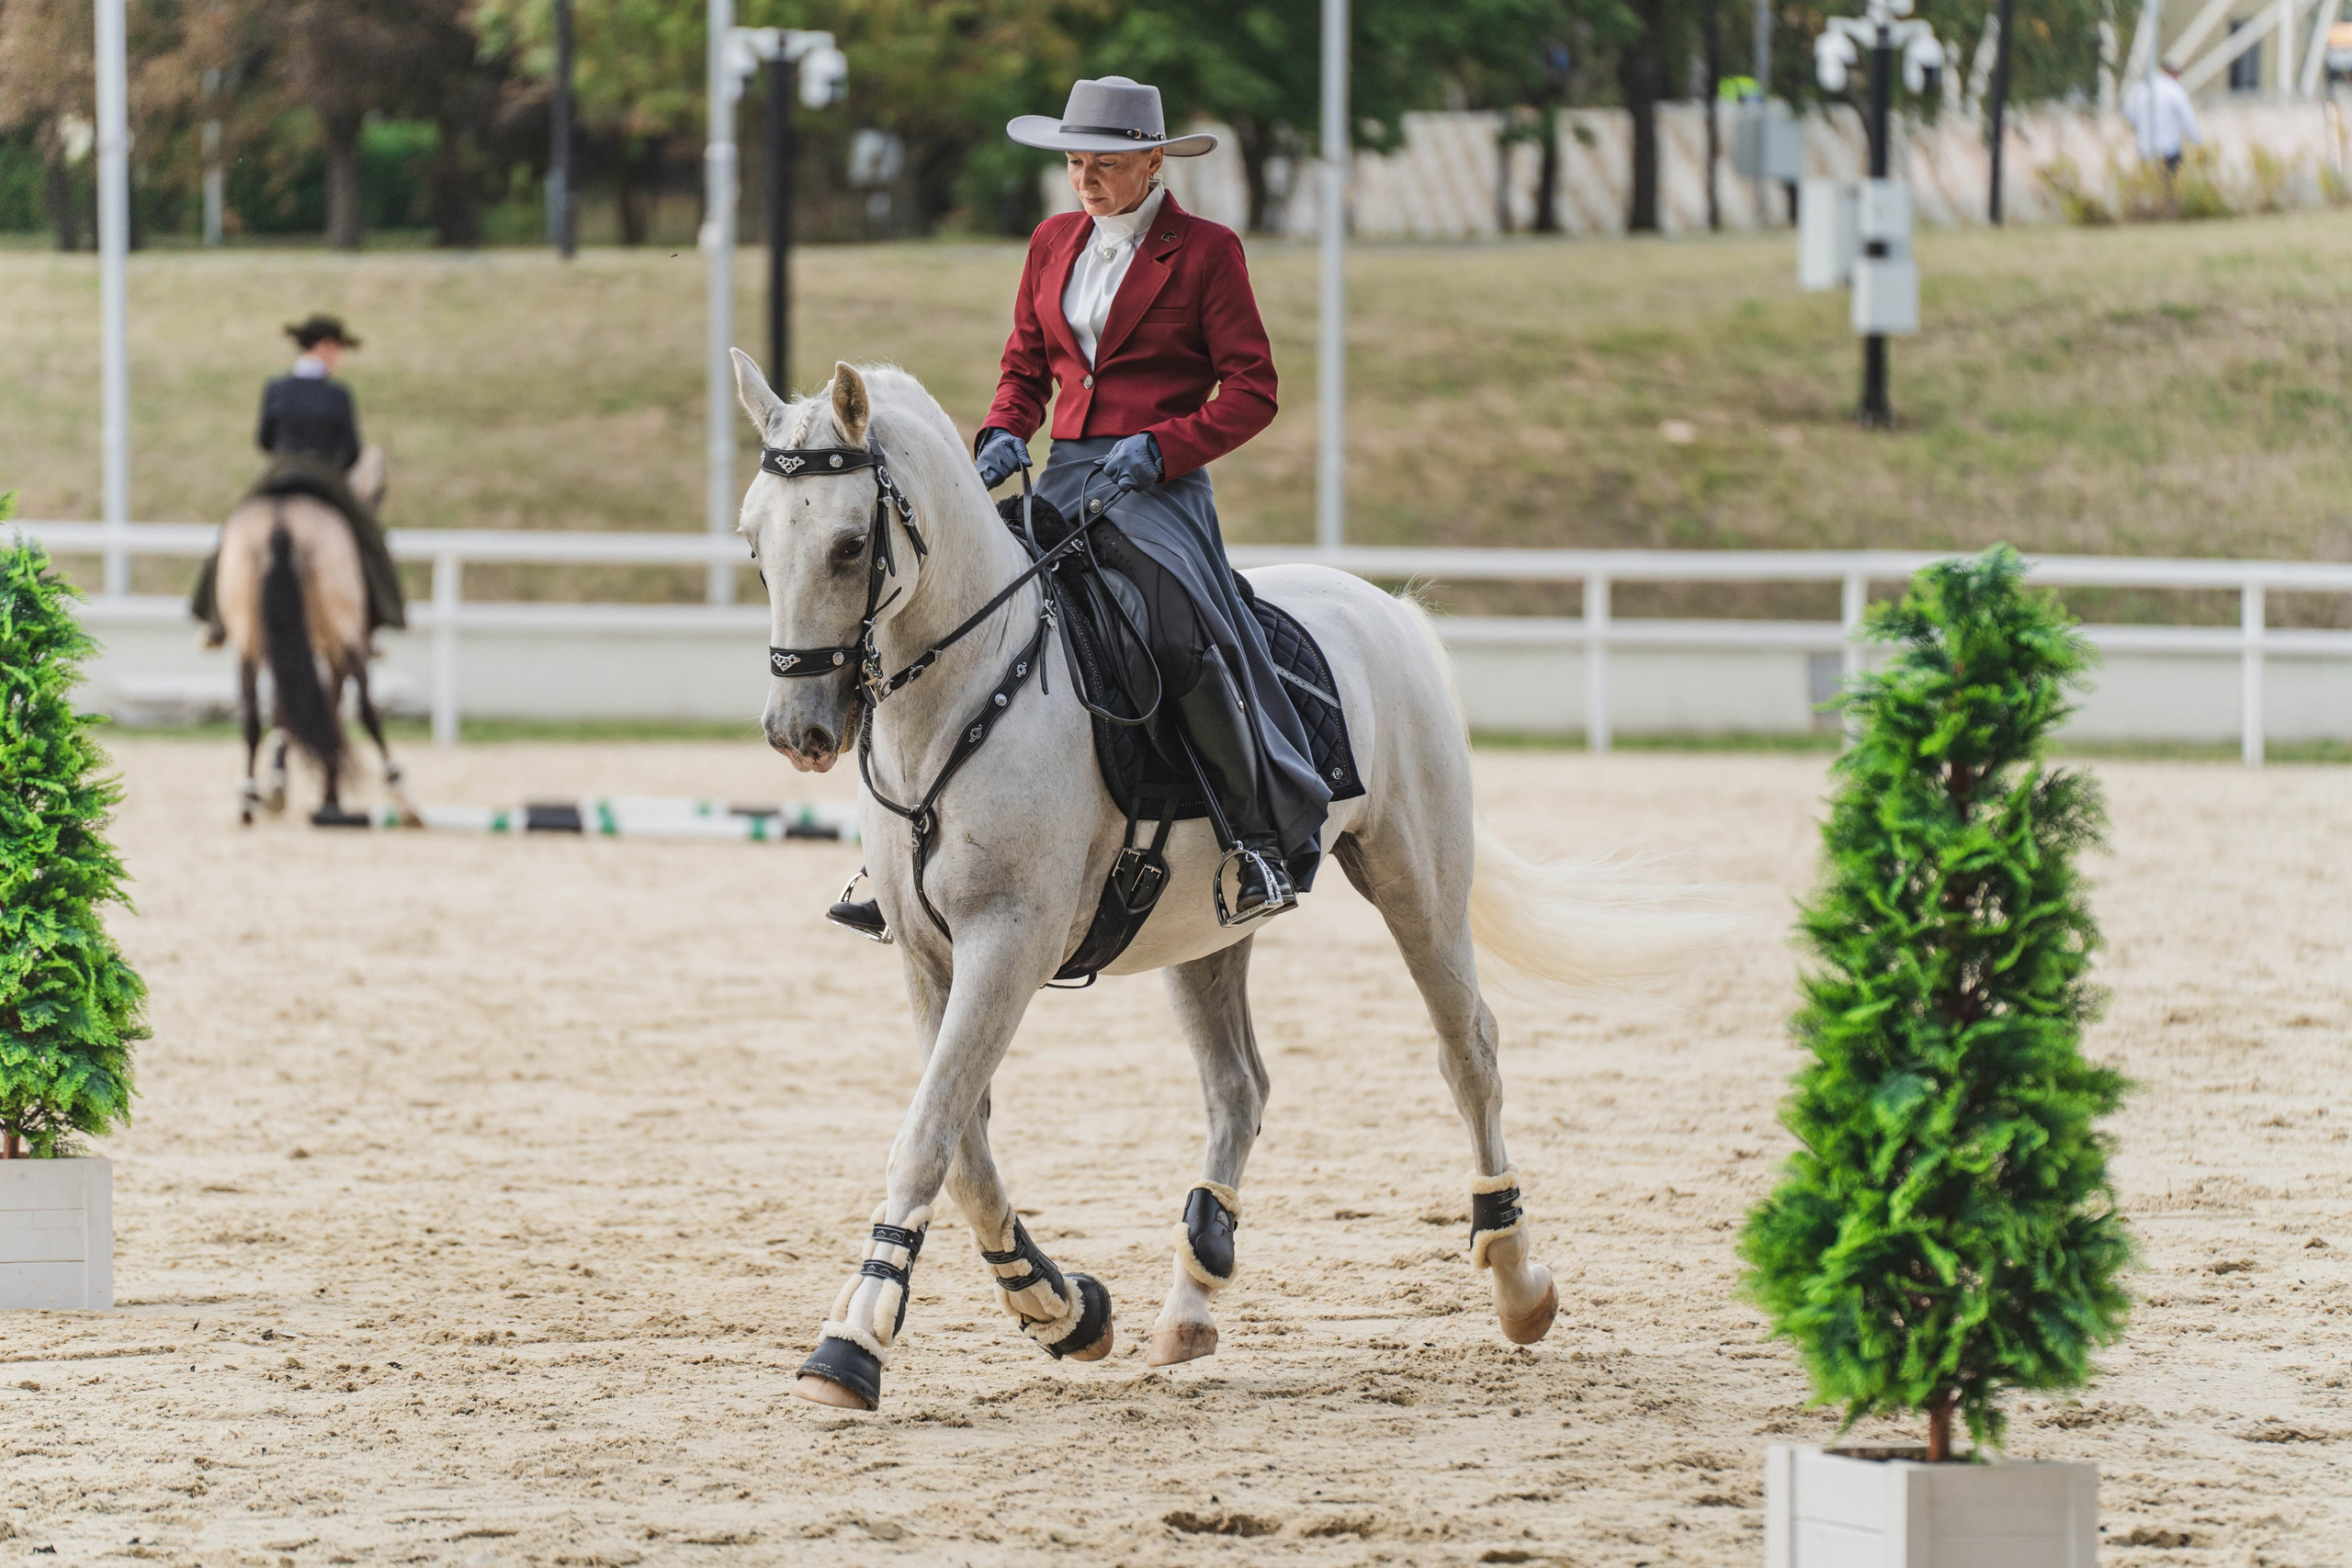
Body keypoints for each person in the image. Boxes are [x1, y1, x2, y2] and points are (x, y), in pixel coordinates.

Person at [191, 314, 405, 646]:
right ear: (325, 346)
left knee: (233, 531)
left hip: (280, 470)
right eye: (338, 349)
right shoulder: (338, 394)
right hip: (325, 473)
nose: (339, 357)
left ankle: (215, 618)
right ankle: (384, 612)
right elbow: (350, 450)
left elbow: (264, 440)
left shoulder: (276, 388)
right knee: (369, 536)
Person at [2125, 63, 2203, 177]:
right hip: (2170, 153)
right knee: (2170, 190)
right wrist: (2197, 144)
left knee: (2149, 187)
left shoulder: (2142, 88)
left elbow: (2129, 114)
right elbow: (2189, 120)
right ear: (2173, 74)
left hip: (2145, 152)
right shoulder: (2175, 90)